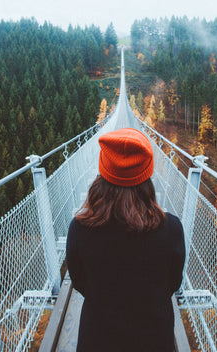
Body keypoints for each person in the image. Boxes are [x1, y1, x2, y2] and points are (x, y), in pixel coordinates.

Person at [66, 127, 185, 352]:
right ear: (146, 175)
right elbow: (173, 283)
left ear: (102, 172)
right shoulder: (171, 229)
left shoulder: (79, 229)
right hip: (154, 340)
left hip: (97, 339)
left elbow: (80, 282)